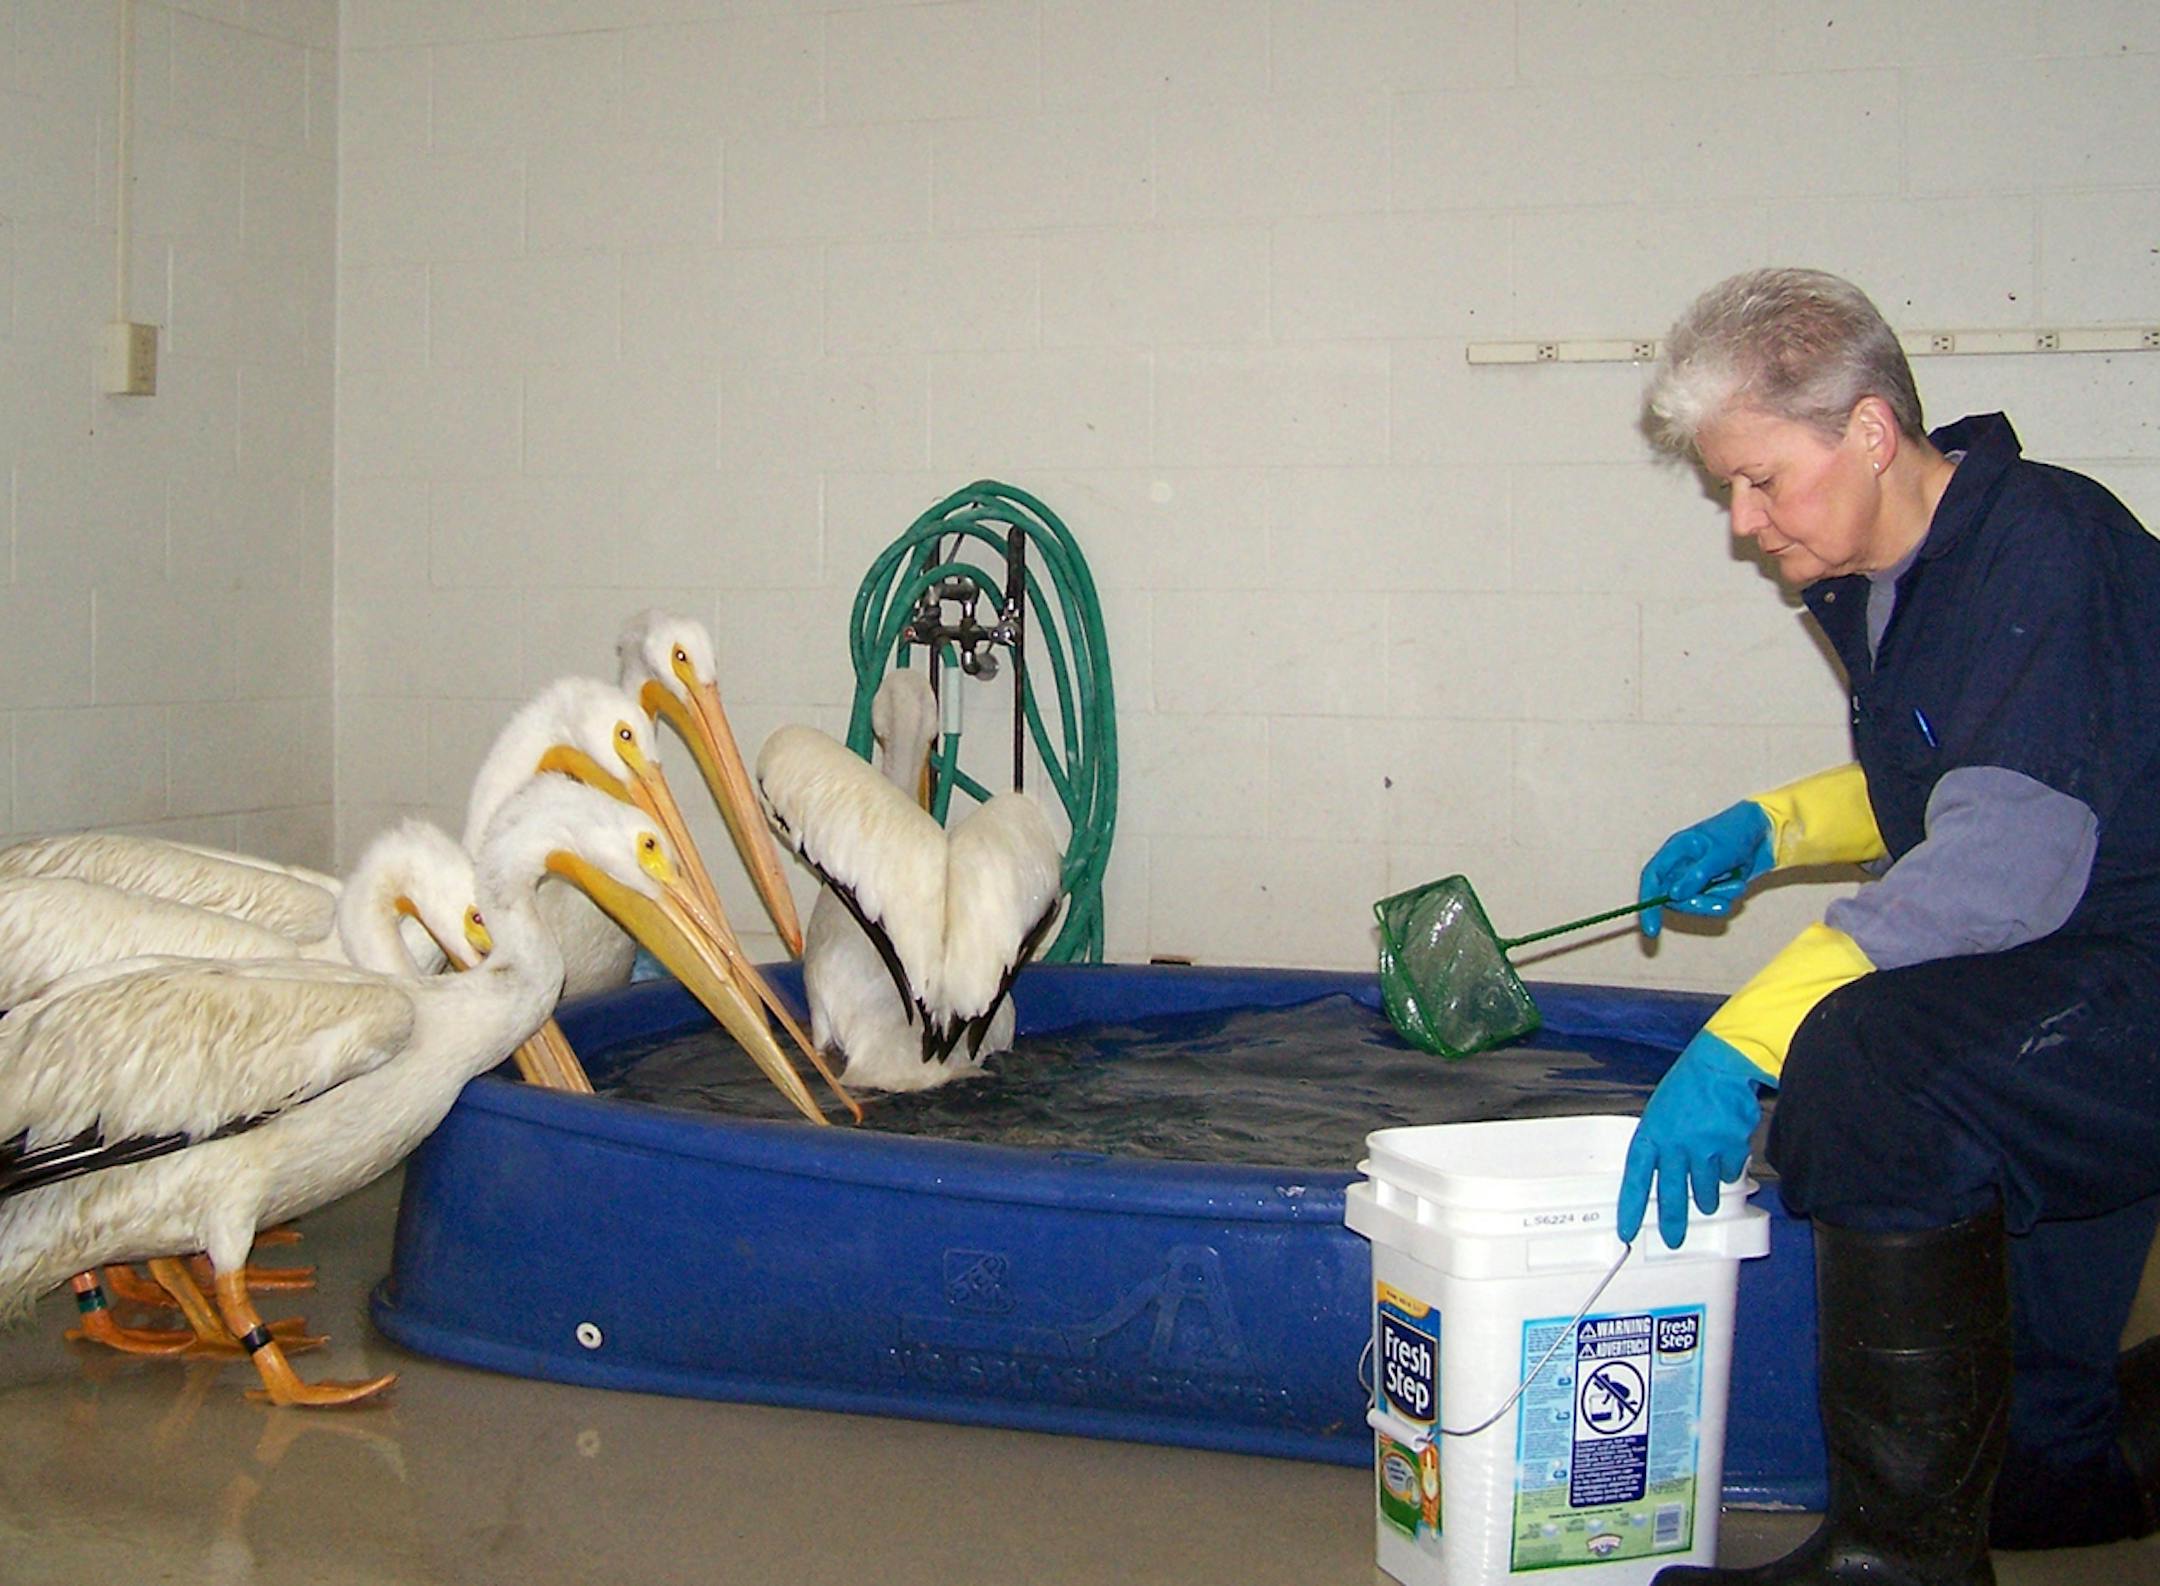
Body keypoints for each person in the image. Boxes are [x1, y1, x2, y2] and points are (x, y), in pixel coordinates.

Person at [1616, 268, 2160, 1584]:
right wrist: (1775, 827)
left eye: (1760, 481)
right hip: (2094, 952)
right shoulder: (1884, 572)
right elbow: (1951, 773)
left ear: (1868, 431)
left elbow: (2003, 862)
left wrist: (1750, 1036)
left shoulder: (2041, 545)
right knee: (2030, 1450)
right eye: (1725, 491)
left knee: (1866, 1065)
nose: (1744, 524)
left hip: (2118, 966)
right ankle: (2060, 1463)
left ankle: (1898, 1565)